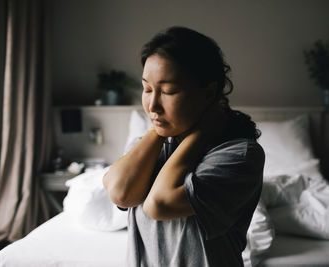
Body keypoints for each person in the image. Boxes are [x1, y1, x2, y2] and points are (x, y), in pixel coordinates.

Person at [103, 26, 265, 267]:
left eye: (168, 91)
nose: (153, 105)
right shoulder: (148, 147)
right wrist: (157, 131)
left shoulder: (239, 156)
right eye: (147, 89)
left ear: (209, 92)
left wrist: (198, 136)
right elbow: (121, 193)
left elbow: (159, 204)